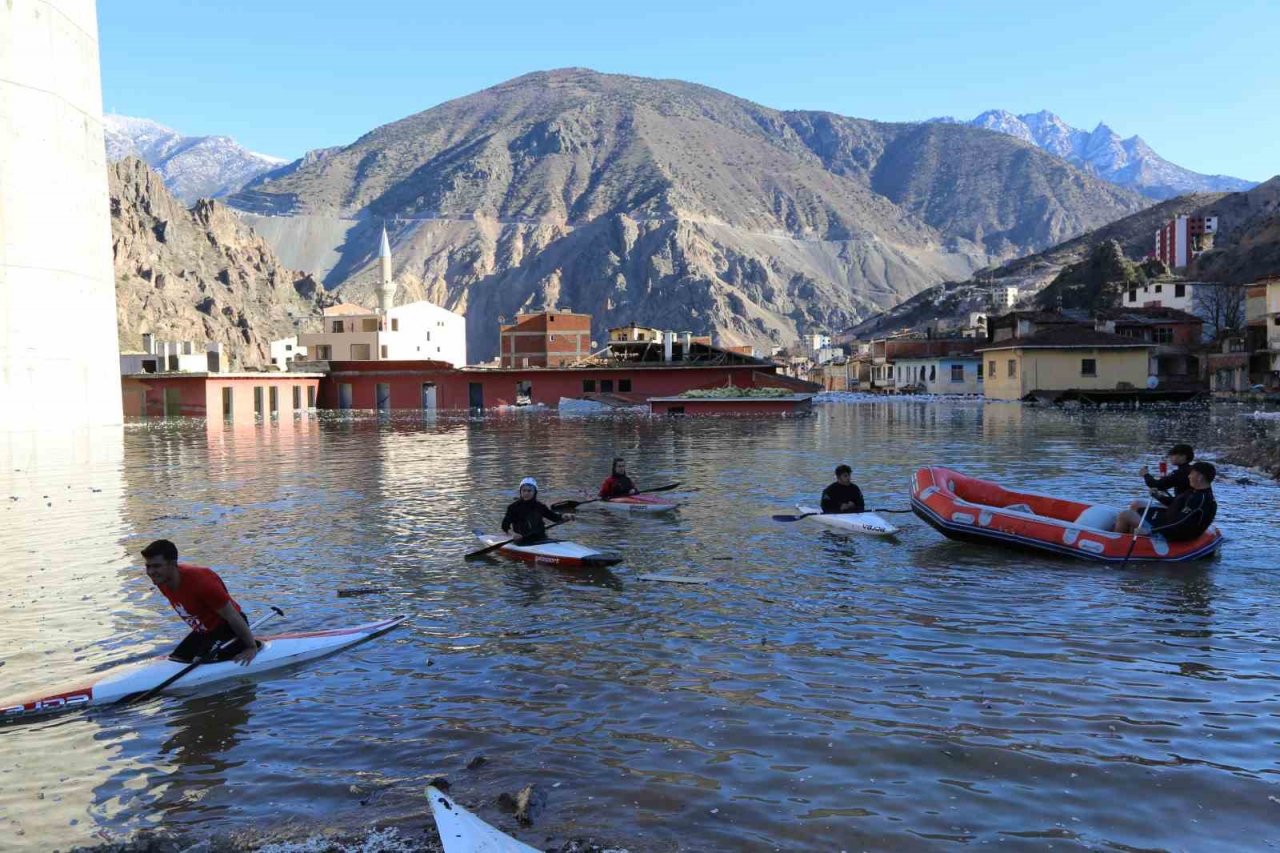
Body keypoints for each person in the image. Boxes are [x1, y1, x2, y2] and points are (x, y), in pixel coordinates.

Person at [141, 539, 260, 665]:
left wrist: (251, 647)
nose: (151, 572)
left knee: (198, 662)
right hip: (204, 631)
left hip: (228, 628)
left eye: (156, 566)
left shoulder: (202, 582)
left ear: (172, 564)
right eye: (148, 566)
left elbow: (232, 615)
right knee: (177, 658)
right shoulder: (162, 580)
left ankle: (245, 644)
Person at [1115, 461, 1218, 541]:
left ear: (1199, 477)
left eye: (1191, 473)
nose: (1189, 476)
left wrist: (1149, 531)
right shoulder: (1196, 492)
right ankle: (1130, 536)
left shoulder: (1199, 500)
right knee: (1137, 505)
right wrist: (1157, 496)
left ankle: (1117, 543)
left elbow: (1179, 523)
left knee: (1125, 515)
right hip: (1167, 521)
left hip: (1171, 533)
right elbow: (1175, 502)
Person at [501, 477, 572, 543]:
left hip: (541, 539)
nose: (526, 493)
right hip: (522, 541)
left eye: (529, 491)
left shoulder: (540, 506)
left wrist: (565, 516)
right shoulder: (513, 507)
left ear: (535, 492)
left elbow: (555, 517)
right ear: (520, 492)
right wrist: (513, 534)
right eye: (524, 490)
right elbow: (504, 526)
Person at [1128, 443, 1194, 513]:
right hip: (1184, 505)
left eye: (1173, 454)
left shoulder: (1180, 473)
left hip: (1179, 509)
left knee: (1136, 504)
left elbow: (1155, 484)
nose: (1170, 456)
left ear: (1183, 457)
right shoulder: (1191, 470)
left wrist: (1145, 474)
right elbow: (1164, 486)